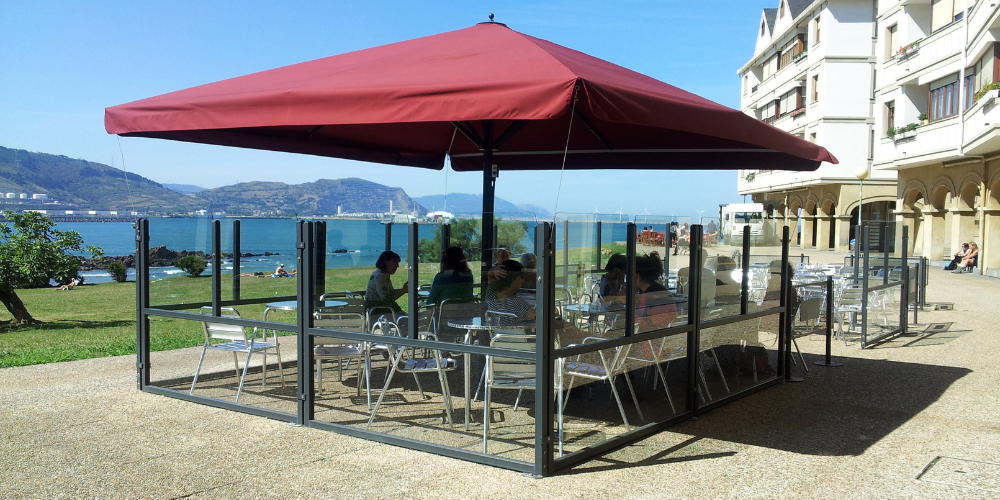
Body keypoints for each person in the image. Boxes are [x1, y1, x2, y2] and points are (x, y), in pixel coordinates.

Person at [633, 252, 679, 332]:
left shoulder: (650, 296)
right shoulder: (659, 290)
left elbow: (639, 323)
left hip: (651, 340)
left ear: (636, 276)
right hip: (664, 337)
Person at [485, 260, 535, 325]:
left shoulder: (490, 295)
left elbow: (490, 276)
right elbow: (537, 317)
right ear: (513, 278)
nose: (523, 280)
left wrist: (494, 270)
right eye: (521, 277)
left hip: (498, 334)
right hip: (515, 335)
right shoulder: (519, 304)